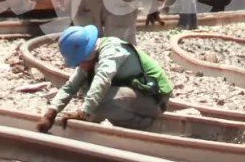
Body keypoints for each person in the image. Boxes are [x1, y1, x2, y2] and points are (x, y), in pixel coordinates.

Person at [35, 25, 172, 132]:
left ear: (87, 53)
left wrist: (84, 113)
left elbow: (102, 80)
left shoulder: (111, 51)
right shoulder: (90, 58)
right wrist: (51, 113)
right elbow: (70, 87)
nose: (78, 65)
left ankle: (145, 125)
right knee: (92, 98)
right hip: (137, 96)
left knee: (99, 102)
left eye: (78, 61)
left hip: (155, 99)